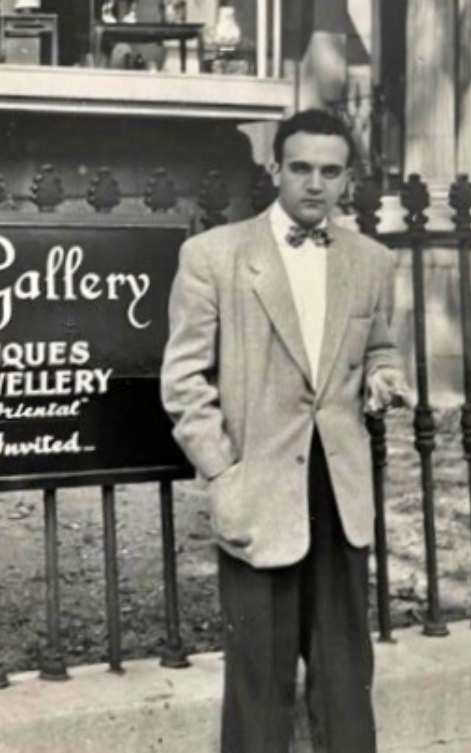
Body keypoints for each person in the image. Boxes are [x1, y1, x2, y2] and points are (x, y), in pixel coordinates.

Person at [160, 109, 411, 753]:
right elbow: (185, 381)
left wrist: (384, 377)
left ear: (348, 179)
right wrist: (223, 473)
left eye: (330, 171)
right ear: (276, 168)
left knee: (345, 677)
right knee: (258, 685)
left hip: (340, 495)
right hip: (260, 492)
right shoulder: (213, 256)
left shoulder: (372, 261)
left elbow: (379, 346)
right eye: (300, 167)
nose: (314, 184)